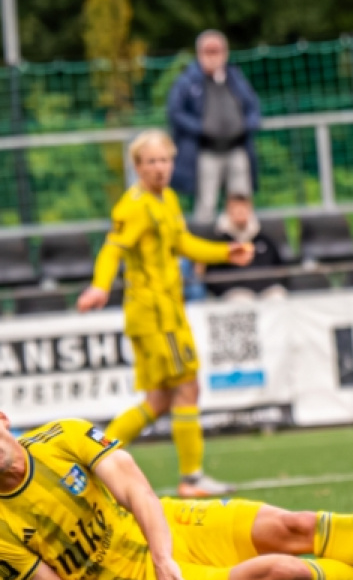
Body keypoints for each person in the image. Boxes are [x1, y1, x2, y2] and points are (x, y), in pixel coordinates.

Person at [0, 395, 353, 580]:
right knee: (281, 571)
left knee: (295, 526)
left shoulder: (63, 436)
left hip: (167, 528)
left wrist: (162, 554)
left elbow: (136, 490)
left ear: (2, 418)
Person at [77, 129, 253, 498]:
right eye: (151, 161)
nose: (160, 167)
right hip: (154, 315)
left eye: (165, 160)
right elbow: (113, 248)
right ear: (138, 166)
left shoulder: (166, 199)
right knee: (188, 387)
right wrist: (100, 285)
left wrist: (224, 253)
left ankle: (92, 459)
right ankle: (191, 478)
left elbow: (181, 243)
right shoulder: (134, 205)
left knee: (158, 401)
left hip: (167, 312)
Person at [167, 30, 261, 223]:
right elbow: (175, 112)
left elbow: (253, 106)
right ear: (199, 53)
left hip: (237, 148)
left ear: (225, 52)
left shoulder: (234, 76)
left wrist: (246, 125)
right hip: (206, 150)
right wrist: (201, 128)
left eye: (216, 51)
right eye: (208, 51)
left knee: (241, 199)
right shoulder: (188, 79)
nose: (213, 56)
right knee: (206, 204)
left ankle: (242, 246)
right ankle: (205, 247)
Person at [207, 194, 287, 301]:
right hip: (235, 294)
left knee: (277, 295)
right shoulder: (219, 242)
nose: (240, 213)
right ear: (228, 212)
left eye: (243, 209)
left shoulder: (265, 240)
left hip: (267, 291)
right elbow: (212, 276)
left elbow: (281, 269)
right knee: (240, 300)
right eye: (236, 209)